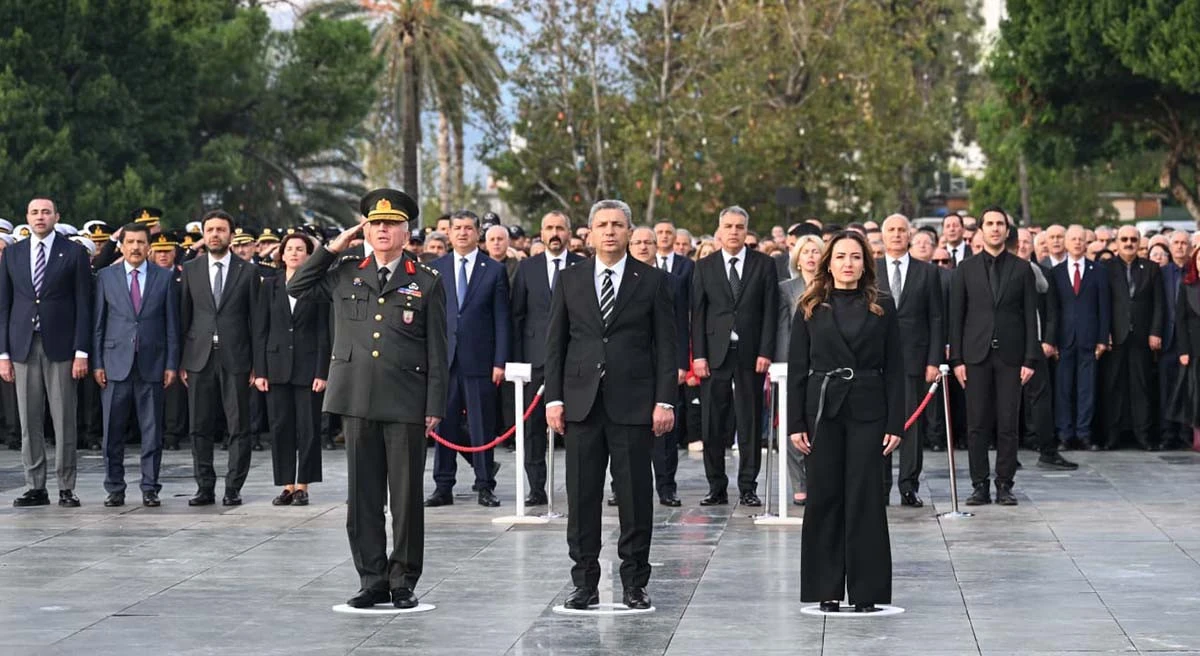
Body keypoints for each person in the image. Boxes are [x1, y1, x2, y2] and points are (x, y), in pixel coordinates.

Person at [288, 188, 447, 609]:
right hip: (356, 398)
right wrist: (333, 246)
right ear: (364, 229)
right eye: (375, 224)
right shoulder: (344, 272)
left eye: (391, 224)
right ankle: (371, 578)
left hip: (406, 402)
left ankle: (403, 580)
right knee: (362, 498)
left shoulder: (425, 280)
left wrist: (434, 406)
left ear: (405, 231)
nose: (382, 230)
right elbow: (296, 284)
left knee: (406, 498)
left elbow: (438, 350)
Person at [544, 199, 677, 611]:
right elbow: (556, 343)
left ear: (629, 230)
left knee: (636, 498)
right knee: (582, 499)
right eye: (602, 224)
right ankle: (584, 583)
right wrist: (554, 397)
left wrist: (665, 400)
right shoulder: (571, 279)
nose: (609, 231)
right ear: (589, 232)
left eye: (618, 225)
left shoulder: (652, 281)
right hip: (582, 405)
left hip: (635, 404)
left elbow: (667, 346)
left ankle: (634, 582)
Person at [787, 230, 903, 613]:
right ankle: (826, 588)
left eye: (855, 256)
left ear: (865, 263)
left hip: (870, 409)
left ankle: (867, 591)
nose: (848, 263)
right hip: (823, 410)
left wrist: (895, 423)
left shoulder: (882, 305)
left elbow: (896, 369)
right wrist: (795, 423)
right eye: (840, 256)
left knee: (866, 497)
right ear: (828, 262)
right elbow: (799, 368)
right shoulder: (810, 305)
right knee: (824, 498)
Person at [0, 197, 92, 508]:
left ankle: (66, 485)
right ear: (26, 217)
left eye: (46, 212)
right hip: (23, 346)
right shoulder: (13, 254)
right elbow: (4, 306)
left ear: (57, 216)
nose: (40, 217)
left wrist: (82, 351)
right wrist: (3, 354)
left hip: (62, 347)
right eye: (35, 212)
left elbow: (84, 305)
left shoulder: (74, 252)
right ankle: (35, 485)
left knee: (64, 418)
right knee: (29, 420)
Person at [692, 206, 778, 506]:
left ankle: (748, 487)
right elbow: (698, 315)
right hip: (714, 355)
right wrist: (698, 356)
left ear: (746, 231)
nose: (733, 231)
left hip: (750, 354)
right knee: (712, 423)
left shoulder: (764, 265)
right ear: (719, 230)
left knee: (749, 421)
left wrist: (766, 351)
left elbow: (770, 312)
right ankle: (716, 486)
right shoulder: (704, 266)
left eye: (739, 226)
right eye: (728, 226)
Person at [426, 210, 510, 508]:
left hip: (481, 361)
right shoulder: (434, 268)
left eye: (468, 228)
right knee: (443, 426)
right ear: (449, 234)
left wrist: (500, 361)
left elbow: (502, 319)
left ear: (478, 234)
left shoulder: (494, 270)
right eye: (457, 228)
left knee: (481, 426)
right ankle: (443, 486)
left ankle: (485, 484)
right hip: (444, 361)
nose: (462, 233)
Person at [92, 222, 179, 507]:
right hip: (115, 363)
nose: (136, 248)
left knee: (152, 432)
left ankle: (150, 487)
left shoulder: (163, 278)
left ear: (149, 246)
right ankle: (114, 487)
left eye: (141, 242)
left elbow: (171, 326)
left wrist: (171, 363)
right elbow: (99, 324)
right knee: (112, 433)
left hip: (152, 364)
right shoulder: (106, 277)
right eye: (130, 242)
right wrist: (97, 363)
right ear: (122, 245)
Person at [179, 210, 260, 507]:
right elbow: (183, 318)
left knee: (238, 426)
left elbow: (256, 321)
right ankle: (204, 486)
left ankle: (233, 487)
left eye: (221, 229)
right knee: (199, 426)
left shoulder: (248, 271)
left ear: (231, 233)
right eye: (210, 229)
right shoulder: (191, 269)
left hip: (237, 358)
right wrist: (180, 361)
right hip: (199, 358)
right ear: (203, 233)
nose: (215, 234)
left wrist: (257, 364)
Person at [510, 211, 583, 505]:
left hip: (575, 360)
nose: (555, 233)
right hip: (535, 360)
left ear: (569, 233)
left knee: (581, 426)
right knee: (532, 430)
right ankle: (537, 487)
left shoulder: (583, 266)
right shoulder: (527, 269)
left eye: (560, 228)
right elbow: (516, 316)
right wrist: (516, 362)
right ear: (540, 233)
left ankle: (580, 486)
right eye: (549, 228)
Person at [253, 233, 330, 506]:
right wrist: (260, 370)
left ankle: (303, 485)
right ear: (281, 254)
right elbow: (260, 330)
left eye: (301, 249)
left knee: (308, 428)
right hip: (276, 367)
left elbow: (324, 332)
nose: (295, 253)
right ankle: (286, 484)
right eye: (290, 249)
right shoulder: (269, 286)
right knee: (280, 427)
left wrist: (323, 371)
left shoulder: (319, 288)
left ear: (309, 256)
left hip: (308, 368)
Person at [875, 214, 943, 508]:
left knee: (911, 426)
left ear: (910, 234)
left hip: (916, 360)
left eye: (902, 230)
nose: (897, 235)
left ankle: (908, 486)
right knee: (879, 423)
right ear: (882, 235)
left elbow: (937, 319)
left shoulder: (927, 272)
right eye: (891, 230)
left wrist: (934, 360)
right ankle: (880, 485)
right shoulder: (871, 269)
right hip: (877, 360)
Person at [630, 227, 689, 506]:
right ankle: (622, 486)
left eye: (648, 242)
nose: (643, 247)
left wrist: (679, 365)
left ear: (658, 246)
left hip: (662, 365)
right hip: (628, 366)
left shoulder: (671, 282)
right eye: (637, 242)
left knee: (664, 430)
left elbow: (679, 327)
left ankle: (666, 486)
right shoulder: (619, 280)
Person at [1101, 226, 1163, 450]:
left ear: (1139, 243)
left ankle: (1143, 435)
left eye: (1133, 239)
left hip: (1142, 337)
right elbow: (1102, 304)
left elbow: (1159, 304)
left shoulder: (1152, 268)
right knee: (1113, 387)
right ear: (1117, 242)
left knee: (1142, 386)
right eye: (1124, 239)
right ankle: (1112, 436)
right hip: (1115, 337)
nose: (1129, 243)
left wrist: (1155, 331)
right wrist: (1103, 333)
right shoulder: (1105, 268)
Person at [1051, 226, 1109, 451]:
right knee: (1063, 389)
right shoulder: (1055, 273)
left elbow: (1104, 307)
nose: (1077, 242)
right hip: (1064, 340)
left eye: (1080, 239)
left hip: (1089, 338)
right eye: (1073, 239)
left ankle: (1084, 433)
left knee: (1087, 389)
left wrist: (1103, 339)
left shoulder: (1098, 271)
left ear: (1086, 243)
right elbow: (1053, 310)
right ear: (1066, 243)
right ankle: (1065, 434)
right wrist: (1052, 340)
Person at [775, 232, 822, 505]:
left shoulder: (831, 286)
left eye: (816, 251)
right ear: (798, 258)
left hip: (824, 365)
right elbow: (783, 329)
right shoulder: (786, 288)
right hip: (794, 365)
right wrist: (784, 364)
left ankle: (818, 479)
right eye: (806, 252)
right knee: (792, 424)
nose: (811, 257)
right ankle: (799, 484)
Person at [1161, 230, 1191, 449]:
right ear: (1170, 248)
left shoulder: (1195, 272)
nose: (1180, 247)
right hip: (1166, 340)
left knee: (1187, 390)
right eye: (1176, 243)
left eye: (1184, 243)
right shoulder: (1160, 273)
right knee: (1166, 389)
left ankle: (1185, 433)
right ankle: (1167, 433)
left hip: (1190, 342)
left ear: (1190, 248)